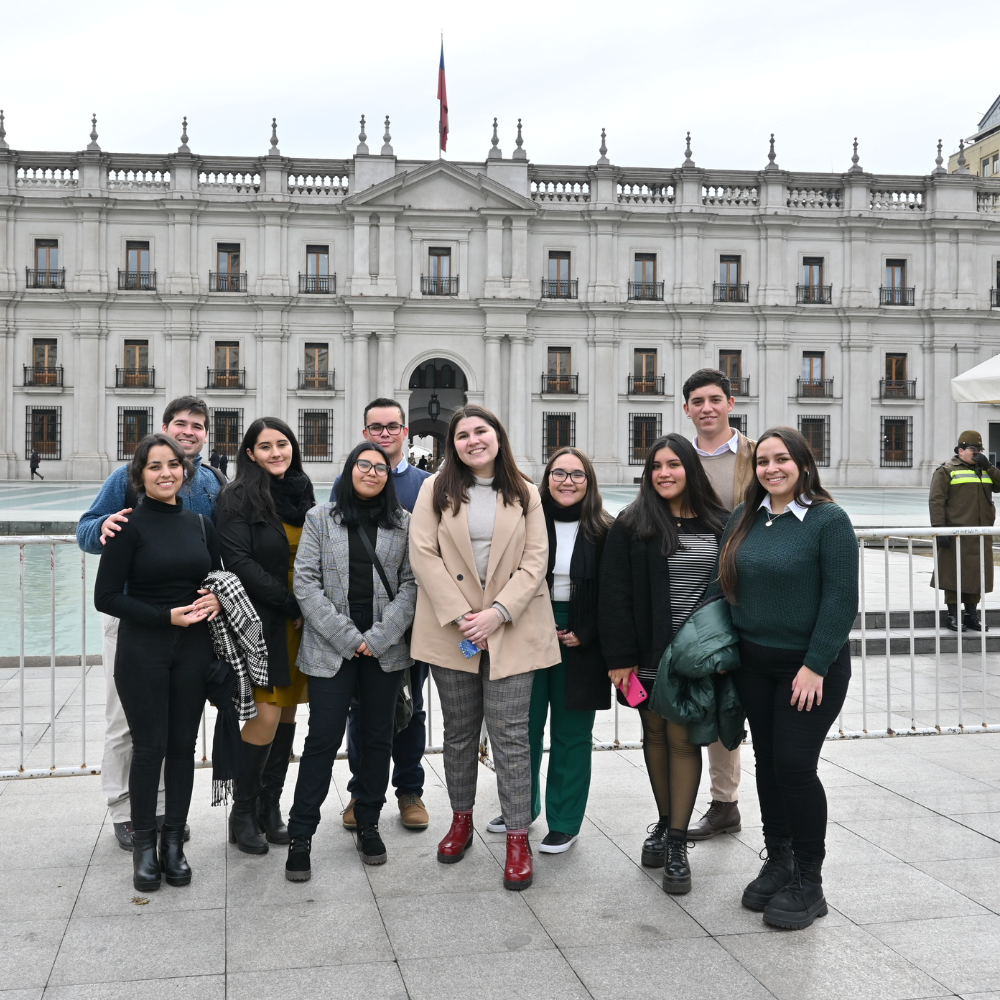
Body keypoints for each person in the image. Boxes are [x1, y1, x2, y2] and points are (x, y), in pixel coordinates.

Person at [409, 405, 560, 891]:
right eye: (463, 434)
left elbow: (536, 561)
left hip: (511, 627)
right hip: (452, 629)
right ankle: (460, 820)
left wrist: (496, 613)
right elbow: (423, 554)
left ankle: (517, 836)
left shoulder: (526, 493)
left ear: (498, 436)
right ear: (452, 444)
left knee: (511, 736)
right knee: (458, 732)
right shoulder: (435, 489)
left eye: (481, 431)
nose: (473, 440)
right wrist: (462, 616)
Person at [717, 426, 858, 929]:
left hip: (809, 669)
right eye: (763, 462)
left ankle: (810, 881)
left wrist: (816, 663)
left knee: (796, 767)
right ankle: (779, 860)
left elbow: (841, 598)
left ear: (802, 464)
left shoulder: (828, 521)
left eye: (782, 460)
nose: (772, 469)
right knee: (769, 763)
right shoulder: (745, 518)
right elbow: (728, 585)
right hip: (755, 664)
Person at [77, 396, 226, 850]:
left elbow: (217, 549)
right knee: (127, 722)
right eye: (180, 423)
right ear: (164, 427)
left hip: (190, 629)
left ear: (204, 436)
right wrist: (105, 527)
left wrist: (220, 595)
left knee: (177, 731)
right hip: (134, 620)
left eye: (197, 426)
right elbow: (86, 529)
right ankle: (125, 811)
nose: (189, 431)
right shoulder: (125, 477)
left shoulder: (215, 484)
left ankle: (163, 813)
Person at [599, 433, 729, 894]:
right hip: (648, 655)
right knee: (653, 734)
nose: (665, 473)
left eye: (674, 464)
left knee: (681, 740)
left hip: (696, 659)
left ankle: (675, 842)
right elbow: (613, 596)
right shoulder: (633, 523)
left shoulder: (720, 523)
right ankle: (665, 820)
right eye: (656, 466)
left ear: (690, 469)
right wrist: (619, 658)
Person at [284, 442, 416, 880]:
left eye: (380, 467)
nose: (373, 472)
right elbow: (305, 583)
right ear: (350, 469)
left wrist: (376, 639)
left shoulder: (404, 525)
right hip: (330, 649)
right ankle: (302, 833)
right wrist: (347, 638)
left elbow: (412, 586)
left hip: (383, 651)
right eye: (364, 464)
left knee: (378, 738)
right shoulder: (320, 519)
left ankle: (370, 822)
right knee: (322, 739)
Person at [330, 399, 431, 832]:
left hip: (412, 622)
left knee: (411, 708)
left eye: (393, 427)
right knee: (360, 710)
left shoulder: (427, 485)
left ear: (405, 432)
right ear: (366, 431)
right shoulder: (344, 481)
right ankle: (359, 792)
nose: (385, 433)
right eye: (376, 427)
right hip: (358, 627)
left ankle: (410, 791)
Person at [216, 418, 316, 854]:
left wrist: (310, 605)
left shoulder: (300, 490)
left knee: (290, 713)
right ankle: (243, 811)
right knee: (267, 714)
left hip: (301, 619)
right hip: (265, 620)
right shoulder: (238, 496)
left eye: (283, 444)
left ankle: (270, 806)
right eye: (265, 446)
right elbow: (237, 560)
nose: (276, 452)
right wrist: (291, 603)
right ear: (250, 453)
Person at [519, 447, 611, 854]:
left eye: (577, 474)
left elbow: (617, 591)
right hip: (529, 630)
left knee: (572, 735)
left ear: (589, 482)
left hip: (582, 638)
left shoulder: (607, 529)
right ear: (547, 478)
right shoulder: (527, 523)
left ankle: (565, 821)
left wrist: (587, 632)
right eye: (559, 473)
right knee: (522, 728)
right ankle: (520, 808)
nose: (567, 481)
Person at [682, 367, 754, 841]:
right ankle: (722, 802)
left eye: (714, 399)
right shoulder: (678, 457)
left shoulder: (759, 455)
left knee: (744, 698)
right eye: (697, 401)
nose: (706, 408)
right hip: (692, 597)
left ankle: (743, 804)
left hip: (749, 594)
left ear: (730, 402)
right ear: (686, 409)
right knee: (709, 698)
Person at [929, 430, 1000, 632]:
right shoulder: (947, 470)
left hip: (980, 533)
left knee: (977, 574)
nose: (977, 453)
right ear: (960, 450)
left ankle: (971, 614)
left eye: (979, 450)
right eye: (972, 449)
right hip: (956, 533)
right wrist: (939, 529)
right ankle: (953, 615)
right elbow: (936, 501)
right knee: (953, 574)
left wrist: (989, 466)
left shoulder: (984, 470)